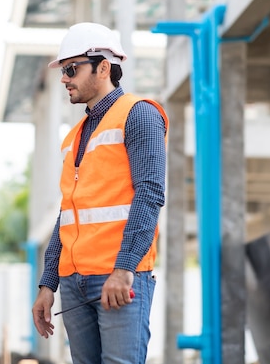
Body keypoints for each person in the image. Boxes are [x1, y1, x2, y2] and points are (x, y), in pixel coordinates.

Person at [31, 22, 168, 364]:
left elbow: (150, 194)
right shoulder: (74, 137)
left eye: (72, 69)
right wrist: (48, 284)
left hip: (117, 277)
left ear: (103, 67)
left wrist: (124, 269)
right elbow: (69, 213)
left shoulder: (139, 115)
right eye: (64, 71)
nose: (65, 78)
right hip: (75, 282)